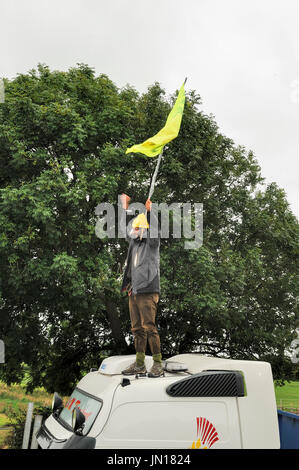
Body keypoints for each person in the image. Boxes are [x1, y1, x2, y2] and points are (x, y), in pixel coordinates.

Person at [119, 193, 163, 378]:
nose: (134, 230)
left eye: (137, 228)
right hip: (134, 291)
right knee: (137, 329)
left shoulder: (151, 243)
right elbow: (123, 229)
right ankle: (139, 364)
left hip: (148, 291)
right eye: (134, 228)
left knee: (149, 327)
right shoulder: (134, 244)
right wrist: (123, 207)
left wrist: (150, 211)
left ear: (145, 229)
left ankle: (158, 364)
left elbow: (155, 233)